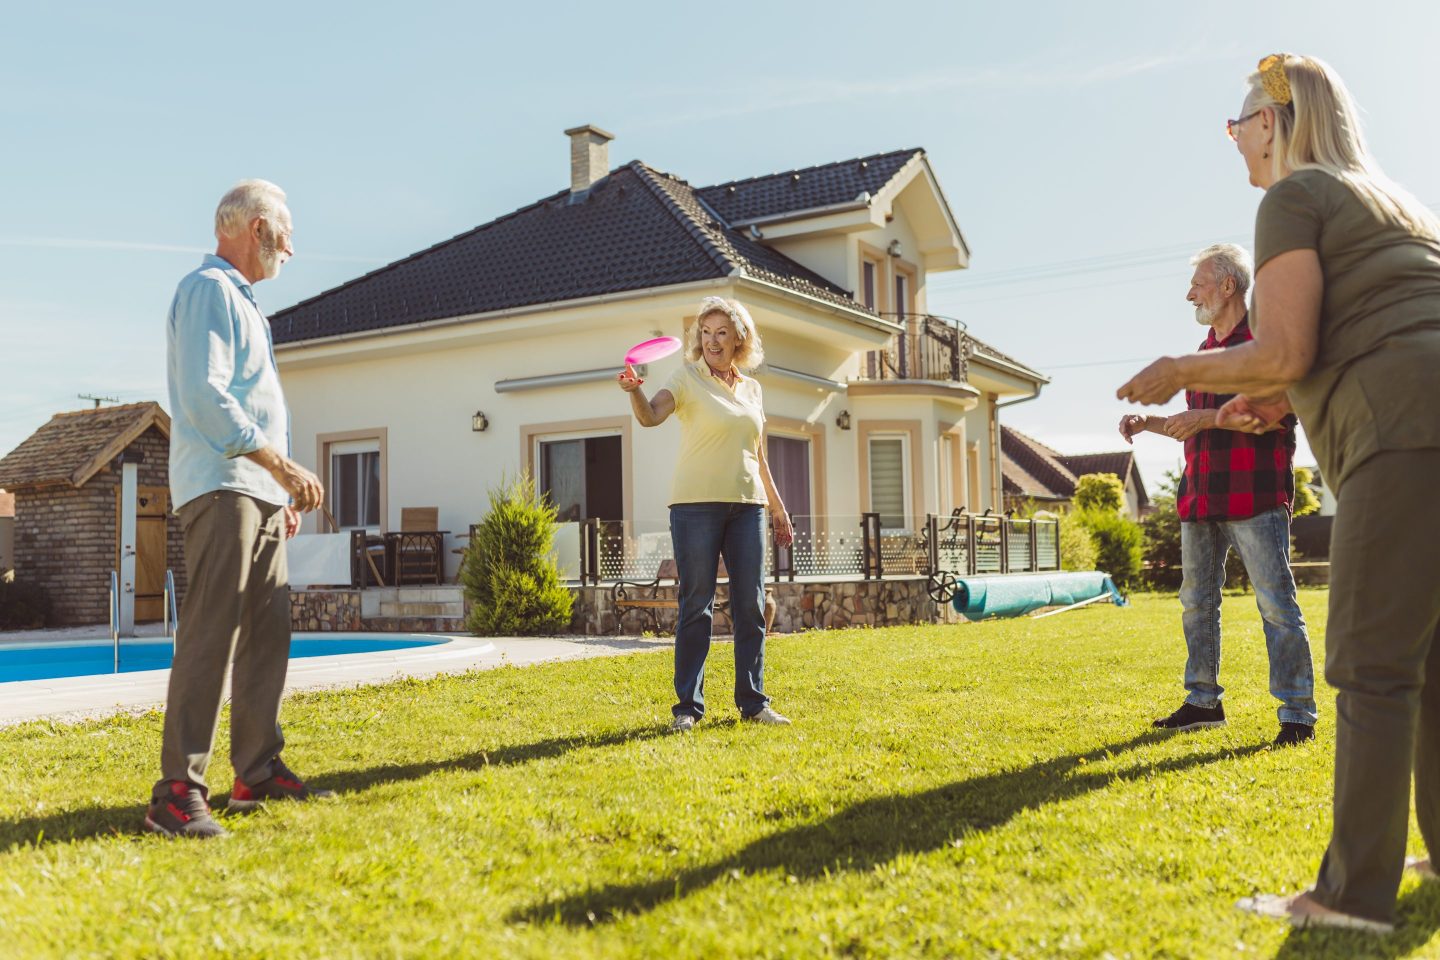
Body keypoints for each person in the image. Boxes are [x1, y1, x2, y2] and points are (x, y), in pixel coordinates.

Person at [1118, 54, 1440, 933]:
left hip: (1400, 433)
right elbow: (1341, 347)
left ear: (1275, 121)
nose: (1236, 140)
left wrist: (1184, 369)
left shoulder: (1291, 199)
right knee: (1431, 657)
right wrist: (1261, 404)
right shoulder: (1397, 201)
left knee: (1372, 663)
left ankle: (1349, 896)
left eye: (1239, 122)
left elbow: (1289, 347)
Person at [145, 180, 330, 839]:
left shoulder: (246, 304)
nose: (290, 247)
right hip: (223, 486)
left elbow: (252, 403)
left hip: (257, 492)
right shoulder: (209, 292)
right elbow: (204, 394)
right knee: (212, 633)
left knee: (266, 633)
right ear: (256, 229)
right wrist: (279, 465)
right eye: (285, 232)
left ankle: (256, 770)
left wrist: (278, 491)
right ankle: (175, 792)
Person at [1119, 243, 1316, 747]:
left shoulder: (1266, 345)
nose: (1190, 295)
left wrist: (1205, 417)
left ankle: (1298, 714)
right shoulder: (1204, 354)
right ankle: (1203, 702)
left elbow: (1279, 410)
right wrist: (1151, 423)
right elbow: (1194, 426)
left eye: (1198, 285)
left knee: (1276, 605)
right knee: (1196, 603)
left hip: (1254, 496)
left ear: (1228, 286)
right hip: (1200, 496)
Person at [617, 296, 794, 732]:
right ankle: (688, 709)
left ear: (739, 339)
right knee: (696, 605)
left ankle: (753, 702)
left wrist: (777, 506)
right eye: (706, 333)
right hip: (695, 505)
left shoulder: (752, 389)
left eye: (722, 333)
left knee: (751, 603)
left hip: (748, 505)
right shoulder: (685, 378)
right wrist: (635, 389)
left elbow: (758, 454)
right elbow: (651, 416)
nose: (712, 341)